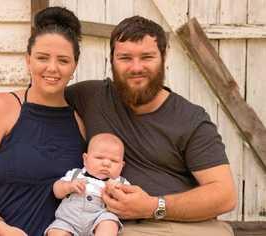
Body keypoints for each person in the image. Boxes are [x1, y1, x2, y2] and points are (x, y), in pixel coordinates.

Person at [65, 15, 237, 236]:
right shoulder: (89, 96)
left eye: (147, 57)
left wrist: (153, 206)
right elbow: (39, 98)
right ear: (111, 60)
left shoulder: (190, 119)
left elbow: (224, 195)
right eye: (125, 58)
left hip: (177, 224)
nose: (136, 68)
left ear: (164, 58)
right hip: (104, 222)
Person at [0, 7, 85, 236]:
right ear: (28, 60)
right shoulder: (1, 107)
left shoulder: (79, 123)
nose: (52, 68)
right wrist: (0, 227)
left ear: (74, 67)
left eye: (63, 60)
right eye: (42, 58)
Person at [46, 133, 130, 236]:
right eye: (99, 158)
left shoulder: (120, 182)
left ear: (122, 166)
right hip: (68, 221)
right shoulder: (76, 174)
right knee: (56, 231)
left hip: (99, 217)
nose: (106, 164)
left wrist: (117, 192)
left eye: (114, 161)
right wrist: (68, 186)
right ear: (85, 159)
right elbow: (56, 191)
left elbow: (128, 202)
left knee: (110, 223)